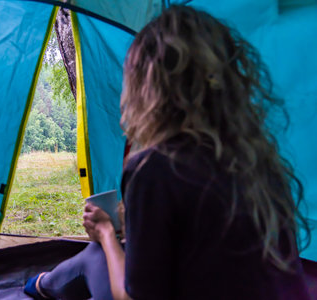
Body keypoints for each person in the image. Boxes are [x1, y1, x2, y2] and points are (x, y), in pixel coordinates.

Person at [24, 4, 311, 300]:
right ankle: (41, 284)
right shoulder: (256, 160)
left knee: (97, 254)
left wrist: (108, 233)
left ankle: (38, 285)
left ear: (146, 88)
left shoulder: (157, 169)